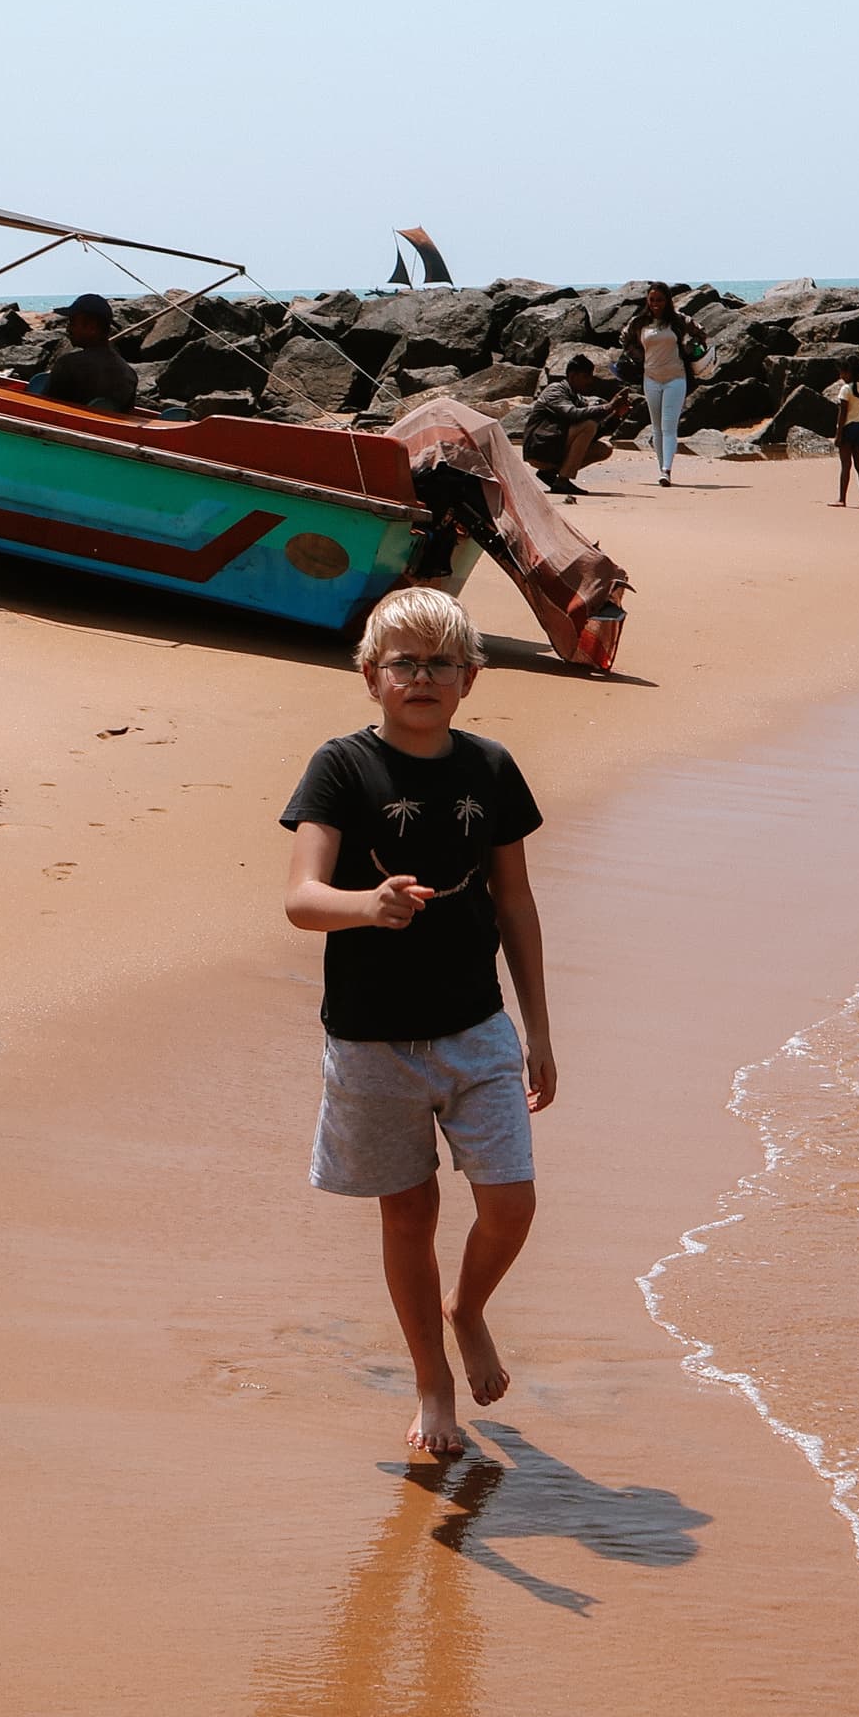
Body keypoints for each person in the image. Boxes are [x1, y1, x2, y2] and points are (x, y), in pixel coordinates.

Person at [282, 586, 554, 1461]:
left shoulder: (491, 768)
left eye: (442, 662)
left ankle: (468, 1307)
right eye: (405, 662)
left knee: (510, 1204)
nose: (423, 676)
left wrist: (539, 1030)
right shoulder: (340, 767)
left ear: (471, 678)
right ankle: (432, 1382)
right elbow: (301, 897)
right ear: (371, 677)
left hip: (478, 1026)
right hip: (370, 1037)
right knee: (409, 1215)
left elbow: (515, 901)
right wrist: (368, 903)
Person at [516, 352, 636, 497]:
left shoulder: (576, 398)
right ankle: (563, 481)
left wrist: (617, 415)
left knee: (604, 448)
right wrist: (609, 407)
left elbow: (594, 434)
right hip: (540, 449)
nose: (590, 381)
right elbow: (572, 414)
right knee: (588, 425)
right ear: (572, 376)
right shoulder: (555, 391)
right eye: (586, 377)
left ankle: (551, 473)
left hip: (555, 447)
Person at [620, 282, 704, 485]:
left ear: (667, 301)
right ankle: (661, 469)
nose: (656, 303)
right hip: (650, 378)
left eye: (660, 299)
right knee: (656, 427)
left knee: (669, 426)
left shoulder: (679, 321)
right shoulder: (639, 323)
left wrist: (690, 349)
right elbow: (625, 339)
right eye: (652, 300)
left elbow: (700, 333)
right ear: (647, 301)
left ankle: (667, 469)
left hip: (676, 378)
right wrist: (638, 356)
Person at [32, 291, 139, 413]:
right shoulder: (129, 374)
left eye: (72, 323)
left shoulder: (67, 365)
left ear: (92, 327)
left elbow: (43, 409)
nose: (68, 328)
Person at [824, 358, 859, 508]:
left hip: (847, 428)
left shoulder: (846, 389)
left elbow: (842, 415)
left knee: (846, 465)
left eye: (842, 372)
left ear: (849, 372)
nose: (841, 376)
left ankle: (842, 499)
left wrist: (838, 434)